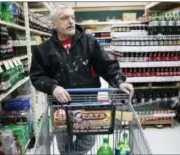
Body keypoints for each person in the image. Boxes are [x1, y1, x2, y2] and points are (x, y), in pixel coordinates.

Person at [30, 4, 134, 155]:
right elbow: (37, 76)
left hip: (87, 101)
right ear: (54, 23)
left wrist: (120, 81)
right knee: (63, 143)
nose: (71, 21)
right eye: (65, 18)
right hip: (60, 106)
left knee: (88, 140)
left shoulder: (89, 42)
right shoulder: (43, 49)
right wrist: (53, 87)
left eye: (72, 17)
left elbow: (106, 65)